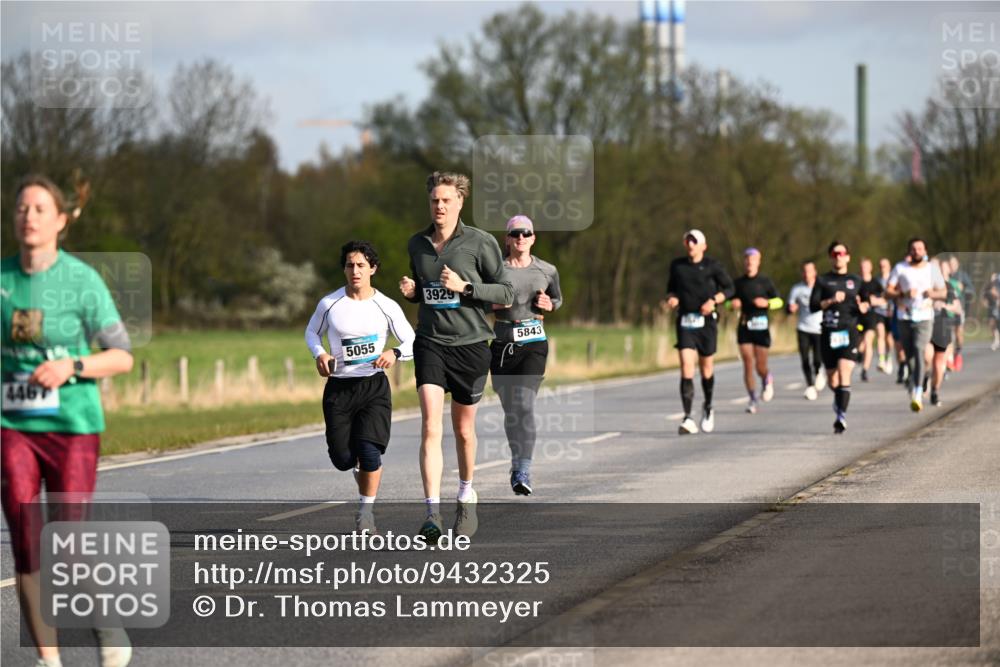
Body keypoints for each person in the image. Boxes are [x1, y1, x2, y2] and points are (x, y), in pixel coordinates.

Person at [2, 175, 134, 667]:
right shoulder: (3, 281)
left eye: (39, 208)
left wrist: (71, 367)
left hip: (73, 425)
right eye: (21, 208)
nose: (28, 216)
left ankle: (106, 627)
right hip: (12, 425)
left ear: (60, 220)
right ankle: (49, 660)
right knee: (25, 538)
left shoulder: (82, 281)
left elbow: (121, 356)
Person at [399, 171, 513, 543]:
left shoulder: (480, 242)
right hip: (430, 342)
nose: (440, 206)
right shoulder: (417, 244)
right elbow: (427, 291)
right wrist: (414, 292)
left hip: (471, 345)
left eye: (447, 200)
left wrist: (464, 286)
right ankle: (431, 511)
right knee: (431, 425)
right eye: (434, 200)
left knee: (463, 431)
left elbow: (506, 292)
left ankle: (466, 493)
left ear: (460, 202)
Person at [305, 240, 415, 534]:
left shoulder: (385, 305)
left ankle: (365, 512)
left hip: (373, 387)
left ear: (373, 269)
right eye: (350, 265)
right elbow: (311, 333)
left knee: (369, 452)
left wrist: (394, 353)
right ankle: (361, 472)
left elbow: (411, 340)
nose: (355, 270)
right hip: (339, 388)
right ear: (344, 269)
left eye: (362, 265)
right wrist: (321, 354)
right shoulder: (330, 304)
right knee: (342, 459)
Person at [489, 215, 562, 496]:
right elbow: (478, 299)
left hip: (534, 342)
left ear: (533, 238)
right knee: (511, 411)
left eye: (526, 233)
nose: (521, 238)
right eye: (515, 234)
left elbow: (557, 299)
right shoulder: (495, 270)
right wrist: (494, 303)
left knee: (525, 403)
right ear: (507, 239)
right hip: (503, 344)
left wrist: (550, 304)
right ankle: (516, 461)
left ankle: (523, 468)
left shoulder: (547, 269)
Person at [664, 229, 735, 435]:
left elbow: (730, 288)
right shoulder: (677, 266)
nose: (690, 244)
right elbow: (671, 289)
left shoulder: (713, 266)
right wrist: (672, 298)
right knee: (686, 366)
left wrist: (713, 301)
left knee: (706, 368)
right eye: (687, 240)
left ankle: (708, 406)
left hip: (706, 322)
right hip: (685, 321)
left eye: (694, 241)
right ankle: (687, 417)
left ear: (703, 246)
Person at [810, 241, 867, 434]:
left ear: (848, 257)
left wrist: (863, 307)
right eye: (835, 254)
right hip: (828, 333)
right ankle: (840, 400)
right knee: (833, 381)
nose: (838, 257)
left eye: (842, 253)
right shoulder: (823, 280)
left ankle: (840, 417)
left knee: (845, 372)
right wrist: (831, 300)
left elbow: (867, 304)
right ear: (830, 257)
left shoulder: (857, 281)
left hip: (849, 332)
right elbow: (813, 305)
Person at [886, 238, 947, 412]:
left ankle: (918, 391)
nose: (916, 251)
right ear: (909, 251)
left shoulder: (932, 269)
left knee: (920, 349)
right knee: (909, 354)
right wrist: (903, 292)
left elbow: (943, 292)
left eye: (920, 248)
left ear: (925, 250)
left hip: (925, 317)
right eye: (913, 249)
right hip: (904, 316)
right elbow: (887, 292)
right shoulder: (900, 268)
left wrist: (932, 293)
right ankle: (916, 381)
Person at [731, 248, 781, 414]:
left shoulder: (765, 282)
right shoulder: (738, 283)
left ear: (758, 262)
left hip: (761, 326)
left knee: (760, 366)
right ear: (744, 262)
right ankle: (752, 398)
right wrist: (732, 304)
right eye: (747, 260)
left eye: (753, 260)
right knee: (747, 363)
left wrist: (766, 303)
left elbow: (779, 301)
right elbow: (728, 301)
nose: (749, 263)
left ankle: (766, 378)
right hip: (745, 326)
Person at [924, 257, 962, 407]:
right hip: (926, 324)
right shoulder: (922, 285)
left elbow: (957, 307)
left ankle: (934, 391)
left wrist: (946, 307)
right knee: (927, 357)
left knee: (939, 361)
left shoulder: (947, 287)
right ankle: (925, 375)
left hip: (942, 325)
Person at [788, 260, 825, 400]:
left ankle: (819, 371)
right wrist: (791, 308)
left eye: (809, 271)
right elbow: (789, 306)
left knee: (817, 358)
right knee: (804, 358)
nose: (806, 274)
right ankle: (810, 386)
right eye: (804, 271)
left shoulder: (821, 287)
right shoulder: (797, 289)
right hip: (803, 327)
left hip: (819, 328)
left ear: (815, 272)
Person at [857, 258, 887, 383]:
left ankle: (865, 369)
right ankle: (859, 354)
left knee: (868, 340)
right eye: (862, 267)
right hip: (858, 319)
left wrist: (876, 301)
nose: (864, 269)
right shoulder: (856, 282)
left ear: (870, 268)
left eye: (866, 267)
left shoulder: (875, 283)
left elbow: (884, 300)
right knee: (860, 344)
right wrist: (858, 303)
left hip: (871, 317)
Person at [947, 255, 974, 370]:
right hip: (947, 309)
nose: (952, 266)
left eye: (953, 264)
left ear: (957, 265)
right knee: (948, 333)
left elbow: (971, 290)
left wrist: (963, 288)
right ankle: (949, 358)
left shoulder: (963, 276)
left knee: (958, 334)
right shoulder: (944, 275)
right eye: (950, 264)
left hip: (959, 308)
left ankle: (957, 354)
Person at [875, 257, 895, 375]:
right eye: (880, 265)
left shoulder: (894, 279)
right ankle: (881, 360)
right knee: (880, 334)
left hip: (891, 311)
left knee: (889, 338)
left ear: (889, 267)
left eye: (884, 265)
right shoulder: (876, 280)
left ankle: (889, 356)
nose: (882, 268)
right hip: (879, 311)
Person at [985, 271, 1000, 351]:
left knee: (997, 323)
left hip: (997, 307)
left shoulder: (997, 284)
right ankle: (996, 340)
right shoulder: (988, 286)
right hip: (992, 307)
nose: (992, 279)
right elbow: (985, 296)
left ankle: (997, 340)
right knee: (992, 323)